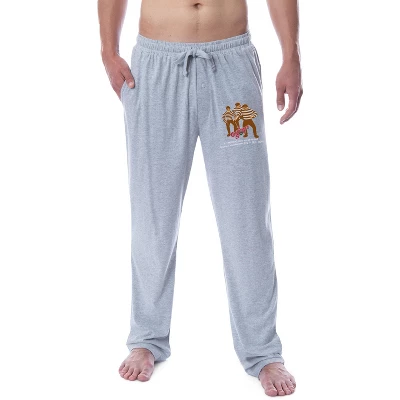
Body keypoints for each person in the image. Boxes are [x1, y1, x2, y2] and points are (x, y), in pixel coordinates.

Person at [98, 0, 302, 396]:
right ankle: (147, 337)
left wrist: (291, 56)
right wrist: (109, 51)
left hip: (230, 70)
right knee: (153, 216)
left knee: (246, 217)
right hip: (155, 71)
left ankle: (262, 351)